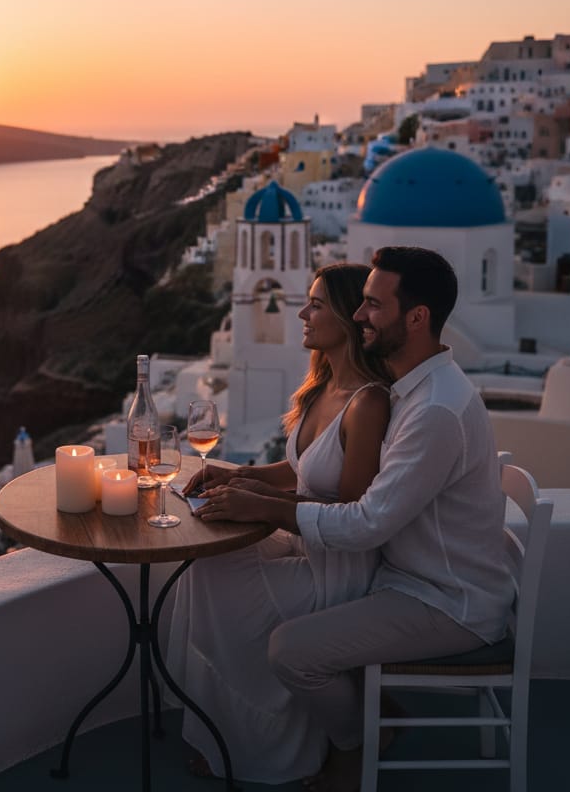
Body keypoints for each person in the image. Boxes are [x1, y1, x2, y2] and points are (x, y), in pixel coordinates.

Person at [200, 246, 513, 792]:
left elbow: (365, 522)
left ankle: (357, 745)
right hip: (405, 578)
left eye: (372, 304)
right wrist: (251, 486)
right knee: (216, 567)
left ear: (416, 318)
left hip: (444, 601)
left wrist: (266, 507)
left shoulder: (435, 409)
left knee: (291, 651)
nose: (360, 315)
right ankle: (277, 725)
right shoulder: (412, 391)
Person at [165, 262, 393, 784]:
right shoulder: (323, 386)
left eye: (316, 304)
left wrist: (261, 503)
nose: (302, 312)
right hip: (304, 545)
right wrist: (238, 475)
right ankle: (224, 732)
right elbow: (297, 470)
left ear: (348, 316)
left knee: (219, 585)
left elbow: (351, 513)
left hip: (338, 570)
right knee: (204, 560)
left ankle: (267, 747)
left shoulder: (368, 403)